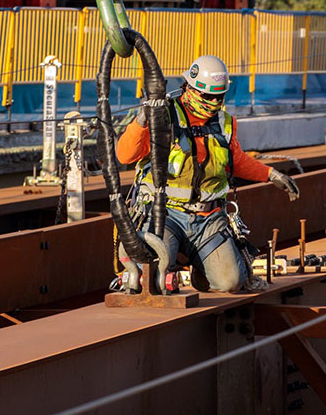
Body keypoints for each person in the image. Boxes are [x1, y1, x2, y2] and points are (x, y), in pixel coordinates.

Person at [116, 55, 301, 293]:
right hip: (165, 214)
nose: (214, 101)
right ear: (189, 88)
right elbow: (125, 156)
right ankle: (171, 262)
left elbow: (236, 160)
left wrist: (271, 174)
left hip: (208, 218)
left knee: (231, 282)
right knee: (150, 277)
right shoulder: (164, 116)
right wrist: (142, 119)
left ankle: (202, 268)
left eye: (219, 96)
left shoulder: (225, 123)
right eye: (208, 96)